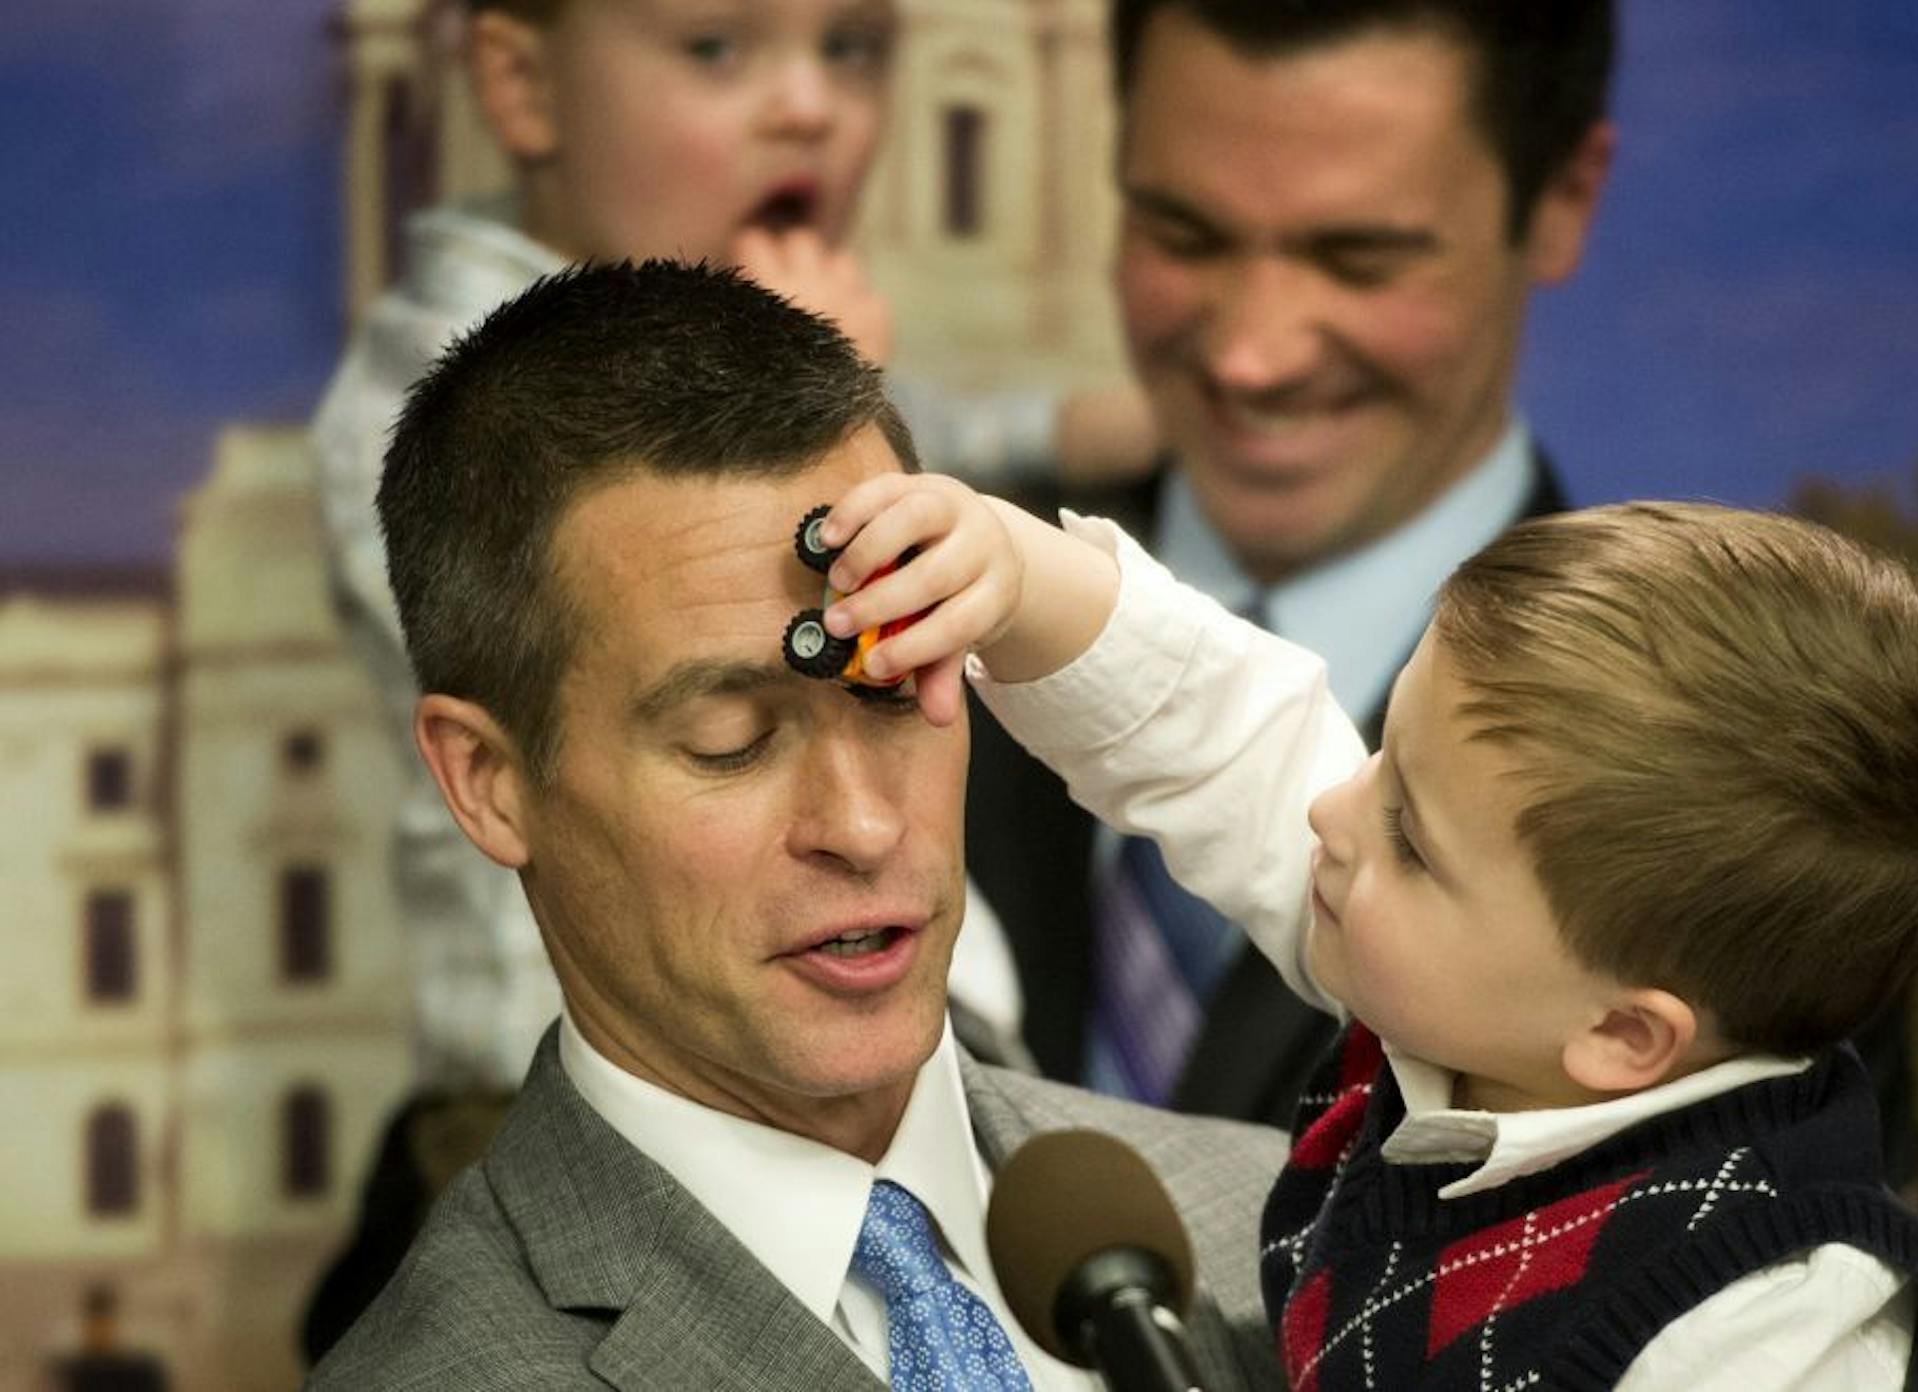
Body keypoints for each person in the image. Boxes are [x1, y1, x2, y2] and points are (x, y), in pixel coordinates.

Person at [303, 0, 1156, 1350]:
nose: (806, 106)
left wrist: (1122, 427)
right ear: (519, 80)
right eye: (716, 50)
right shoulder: (433, 392)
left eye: (853, 49)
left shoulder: (1202, 1207)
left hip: (941, 1089)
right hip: (576, 1142)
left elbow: (957, 426)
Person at [305, 261, 1287, 1390]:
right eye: (729, 740)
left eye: (897, 690)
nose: (863, 826)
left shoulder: (1282, 1231)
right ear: (487, 780)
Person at [807, 471, 1918, 1388]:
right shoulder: (1488, 993)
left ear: (1623, 1037)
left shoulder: (1775, 1317)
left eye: (1414, 842)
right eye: (1384, 755)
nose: (1333, 814)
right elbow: (1228, 740)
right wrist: (1015, 574)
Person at [965, 0, 1614, 1127]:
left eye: (1358, 260)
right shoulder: (915, 590)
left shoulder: (1717, 789)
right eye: (1183, 237)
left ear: (1561, 199)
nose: (1250, 358)